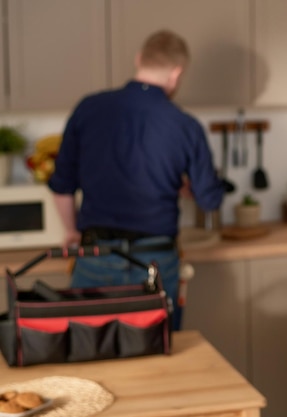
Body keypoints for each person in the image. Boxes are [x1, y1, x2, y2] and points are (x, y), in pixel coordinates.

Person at [48, 29, 225, 330]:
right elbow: (210, 199)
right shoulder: (185, 125)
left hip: (95, 254)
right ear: (177, 73)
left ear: (139, 59)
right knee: (155, 353)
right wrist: (188, 187)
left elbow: (62, 185)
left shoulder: (88, 107)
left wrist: (70, 231)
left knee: (88, 350)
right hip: (155, 261)